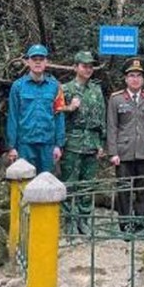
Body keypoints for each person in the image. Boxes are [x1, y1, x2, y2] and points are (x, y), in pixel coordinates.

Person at [107, 58, 144, 233]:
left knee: (143, 189)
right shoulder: (116, 99)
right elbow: (112, 127)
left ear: (143, 79)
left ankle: (140, 223)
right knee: (123, 190)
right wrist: (113, 152)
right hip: (124, 152)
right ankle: (124, 224)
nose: (135, 79)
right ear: (125, 79)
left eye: (138, 75)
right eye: (131, 75)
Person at [59, 50, 105, 234]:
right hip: (73, 141)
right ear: (75, 67)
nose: (88, 69)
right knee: (70, 183)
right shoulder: (66, 89)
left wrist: (102, 143)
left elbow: (101, 117)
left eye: (90, 66)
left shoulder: (96, 89)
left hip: (92, 142)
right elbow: (56, 113)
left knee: (88, 184)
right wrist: (70, 108)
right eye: (84, 65)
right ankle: (69, 221)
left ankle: (84, 220)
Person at [6, 44, 65, 174]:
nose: (38, 62)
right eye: (34, 59)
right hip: (25, 144)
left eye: (41, 59)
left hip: (47, 144)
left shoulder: (55, 87)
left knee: (47, 183)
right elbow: (13, 117)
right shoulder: (18, 86)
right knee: (25, 183)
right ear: (28, 62)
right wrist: (12, 147)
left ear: (46, 62)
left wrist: (58, 145)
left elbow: (59, 116)